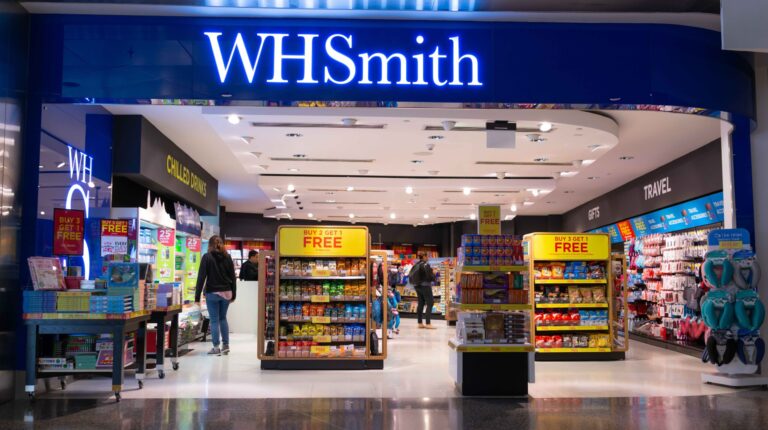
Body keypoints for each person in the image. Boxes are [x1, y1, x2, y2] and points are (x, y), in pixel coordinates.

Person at [195, 235, 237, 356]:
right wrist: (234, 294)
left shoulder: (207, 257)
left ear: (209, 244)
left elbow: (201, 277)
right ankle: (226, 345)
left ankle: (216, 347)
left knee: (214, 320)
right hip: (226, 292)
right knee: (223, 318)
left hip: (212, 293)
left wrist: (197, 297)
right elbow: (233, 277)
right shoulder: (227, 257)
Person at [409, 253, 436, 329]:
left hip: (417, 286)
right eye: (427, 256)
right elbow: (429, 277)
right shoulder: (425, 265)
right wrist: (434, 273)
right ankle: (428, 323)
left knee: (421, 302)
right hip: (425, 286)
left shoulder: (416, 264)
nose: (428, 258)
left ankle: (420, 322)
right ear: (424, 257)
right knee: (430, 302)